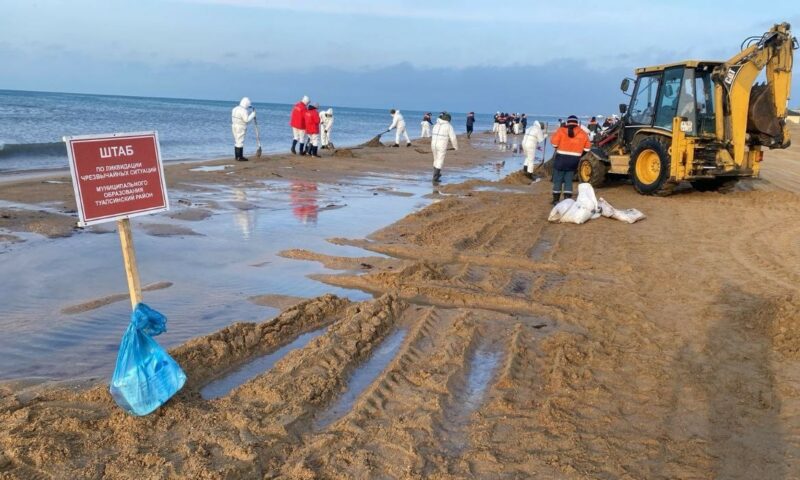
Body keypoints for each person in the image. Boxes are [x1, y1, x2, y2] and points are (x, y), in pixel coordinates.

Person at [549, 115, 591, 205]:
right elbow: (587, 148)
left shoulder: (561, 130)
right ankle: (567, 200)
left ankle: (556, 200)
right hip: (574, 160)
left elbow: (554, 144)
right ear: (577, 123)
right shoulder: (583, 133)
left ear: (567, 122)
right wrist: (579, 154)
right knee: (568, 180)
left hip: (560, 159)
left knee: (558, 179)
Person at [431, 111, 458, 183]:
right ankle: (435, 178)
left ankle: (437, 174)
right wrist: (455, 146)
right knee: (440, 160)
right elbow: (453, 137)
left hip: (433, 144)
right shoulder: (448, 126)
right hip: (441, 145)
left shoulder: (436, 125)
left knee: (435, 159)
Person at [231, 97, 256, 161]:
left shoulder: (235, 108)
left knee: (237, 141)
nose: (248, 107)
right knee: (240, 141)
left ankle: (237, 156)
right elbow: (246, 120)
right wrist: (253, 114)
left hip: (234, 125)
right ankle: (240, 157)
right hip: (240, 127)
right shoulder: (243, 110)